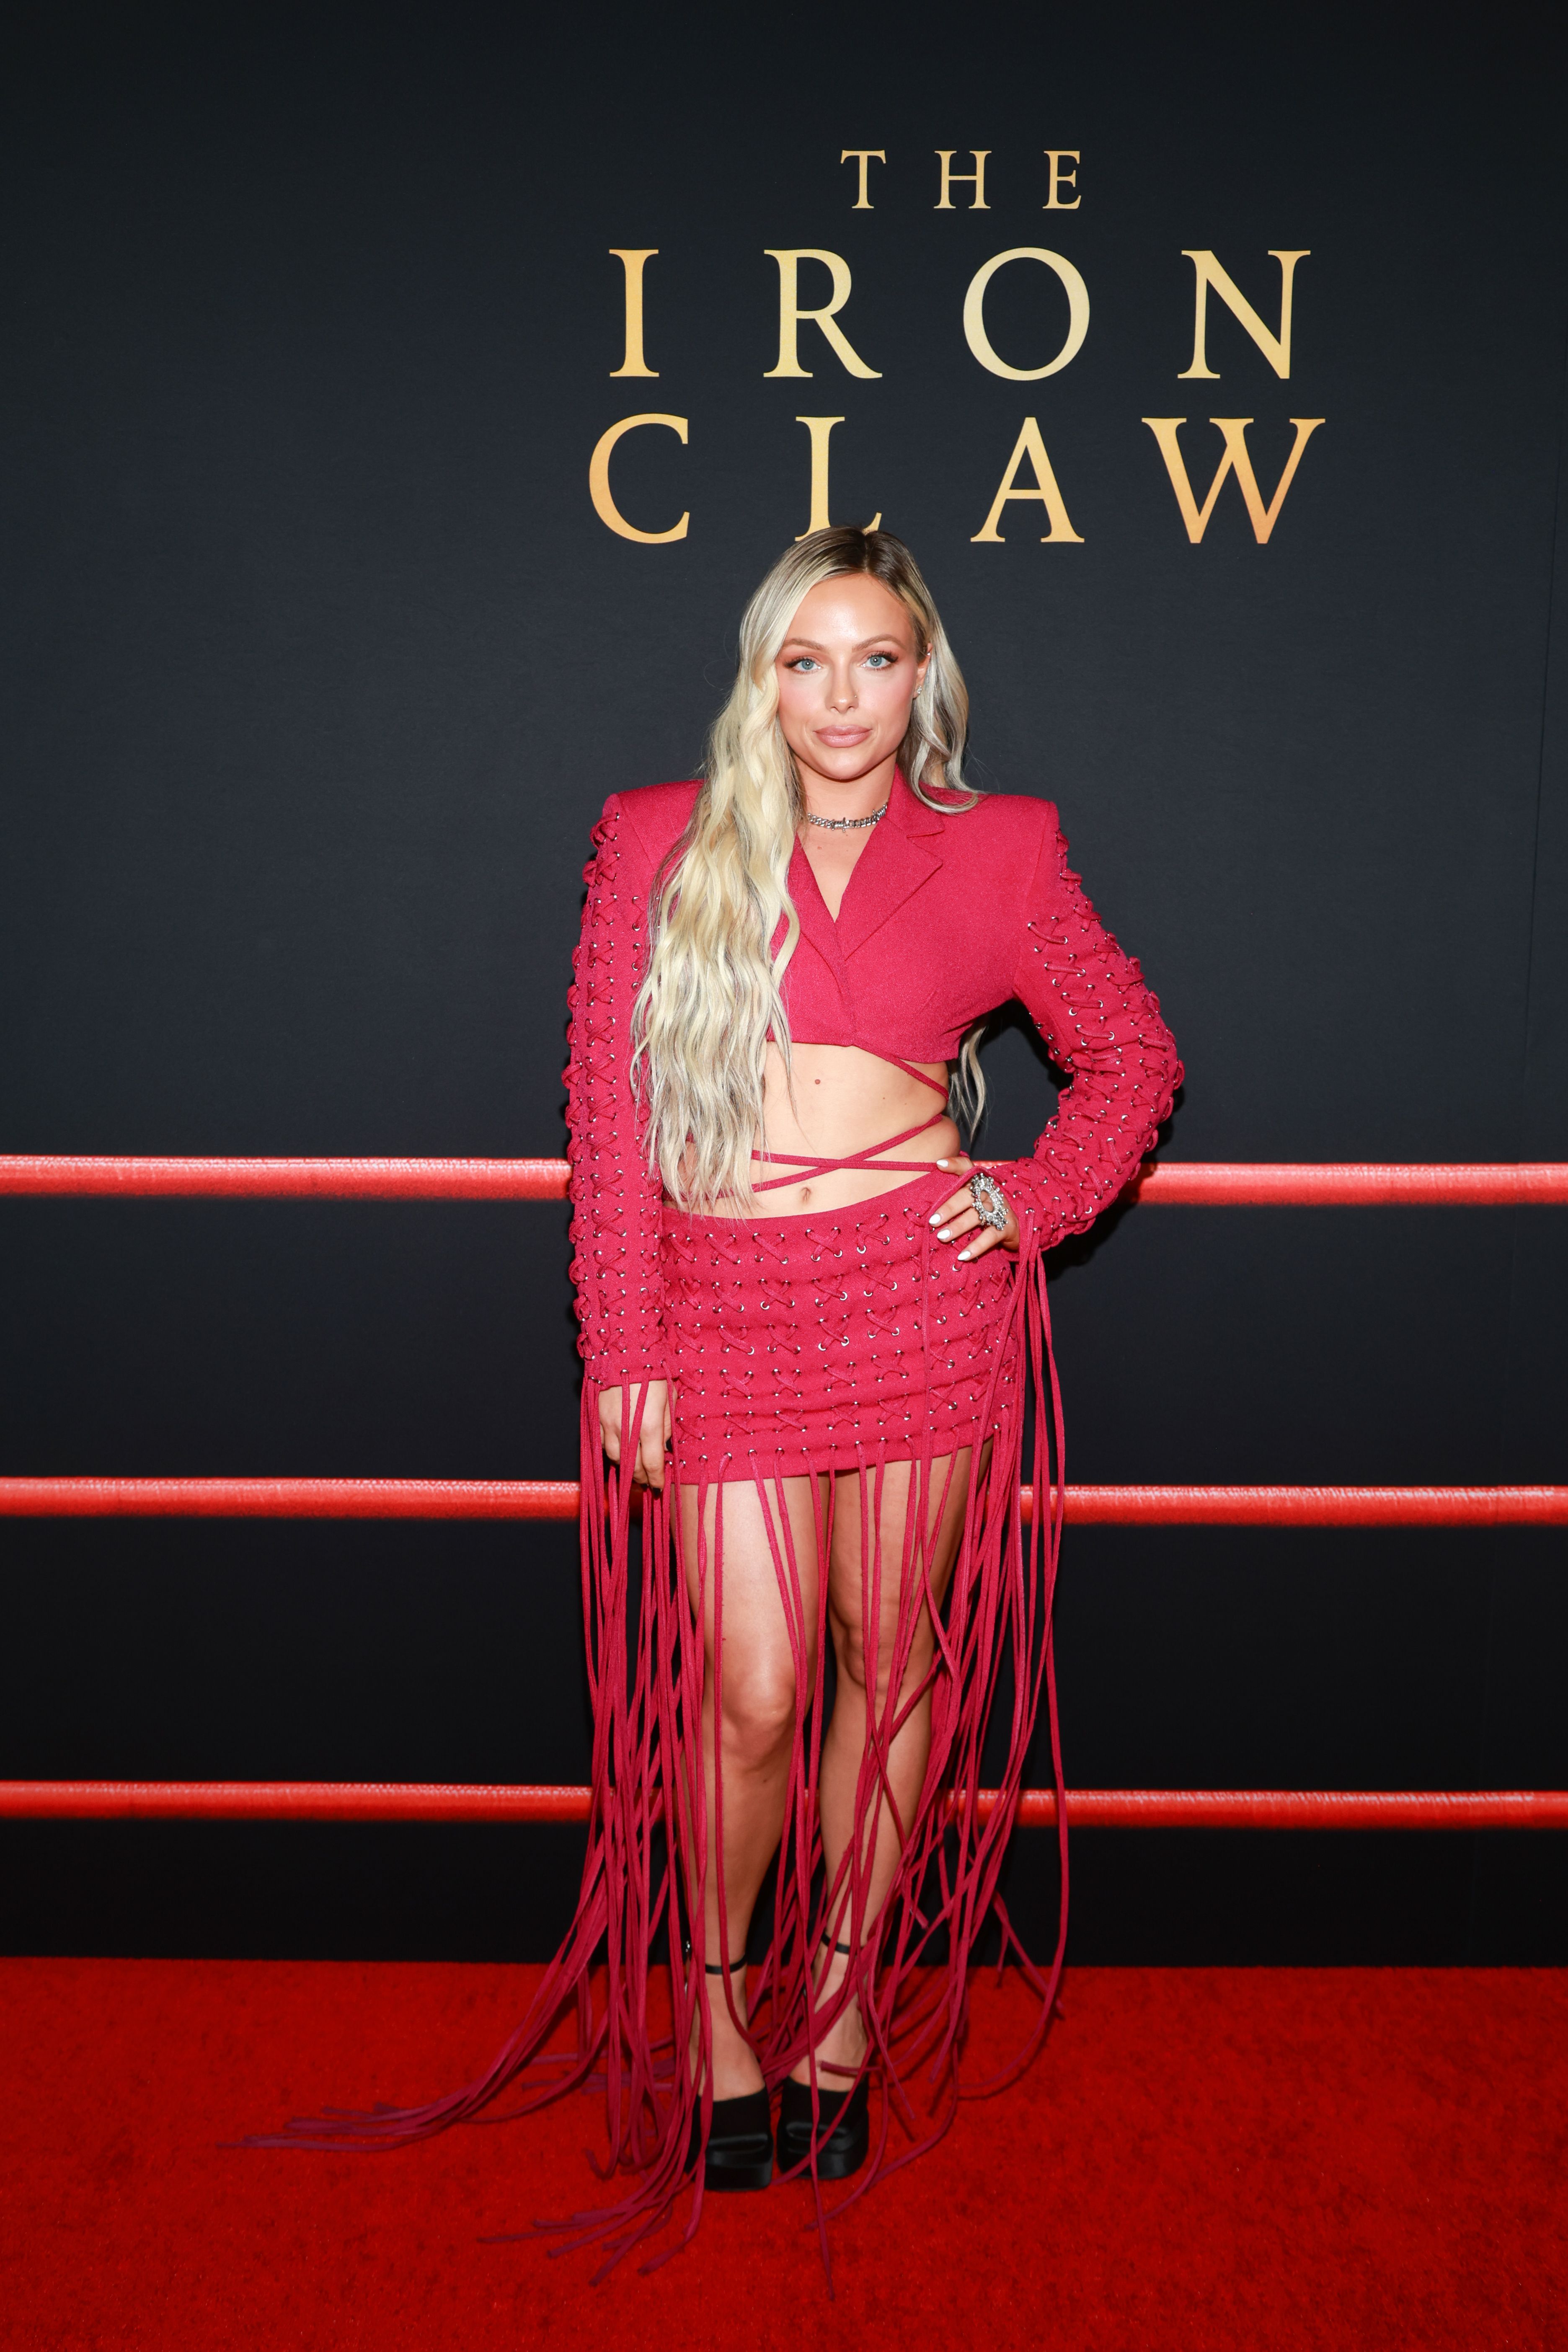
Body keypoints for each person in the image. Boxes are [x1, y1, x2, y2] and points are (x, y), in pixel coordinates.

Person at [265, 528, 1181, 2273]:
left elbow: (1133, 1059)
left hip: (920, 1300)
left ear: (924, 678)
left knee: (890, 1665)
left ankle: (836, 2009)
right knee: (753, 1689)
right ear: (762, 673)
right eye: (804, 660)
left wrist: (1034, 1201)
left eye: (877, 660)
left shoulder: (1004, 847)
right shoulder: (655, 839)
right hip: (725, 1302)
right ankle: (716, 2012)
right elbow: (608, 1115)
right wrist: (625, 1340)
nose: (842, 697)